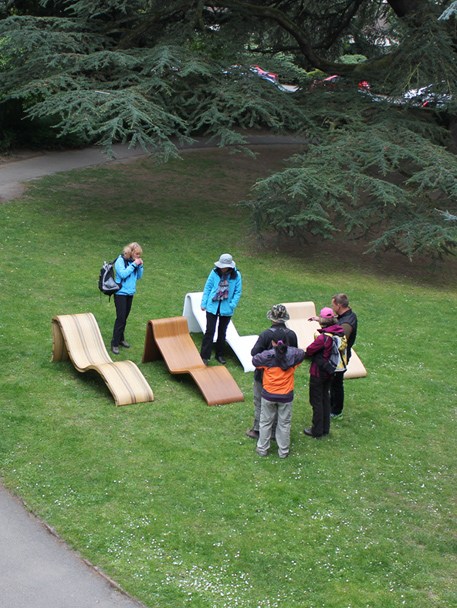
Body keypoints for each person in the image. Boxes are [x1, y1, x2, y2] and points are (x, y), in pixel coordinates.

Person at [246, 304, 298, 440]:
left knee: (261, 402)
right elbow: (296, 354)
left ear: (272, 318)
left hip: (264, 375)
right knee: (281, 407)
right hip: (285, 377)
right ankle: (276, 432)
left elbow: (254, 353)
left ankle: (258, 430)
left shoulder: (266, 334)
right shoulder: (292, 335)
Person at [252, 327, 305, 458]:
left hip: (268, 394)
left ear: (273, 342)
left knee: (265, 422)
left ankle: (262, 449)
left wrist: (271, 351)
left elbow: (255, 360)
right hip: (286, 396)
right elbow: (302, 353)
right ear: (286, 342)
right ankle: (283, 451)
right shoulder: (294, 356)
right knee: (284, 423)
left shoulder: (266, 357)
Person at [303, 307, 345, 438]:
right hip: (330, 371)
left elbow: (310, 351)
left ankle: (317, 430)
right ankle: (325, 428)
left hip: (318, 372)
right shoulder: (339, 332)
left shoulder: (322, 338)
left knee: (316, 401)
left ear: (322, 321)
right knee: (325, 398)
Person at [200, 253, 242, 365]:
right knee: (209, 331)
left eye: (225, 266)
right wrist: (204, 303)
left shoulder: (236, 275)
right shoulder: (214, 272)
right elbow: (208, 287)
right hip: (212, 306)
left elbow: (238, 292)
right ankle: (204, 356)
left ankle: (219, 354)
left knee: (222, 332)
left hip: (226, 309)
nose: (222, 268)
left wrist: (232, 305)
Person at [111, 242, 144, 355]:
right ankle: (114, 343)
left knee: (124, 317)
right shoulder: (120, 261)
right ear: (130, 253)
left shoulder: (133, 262)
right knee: (120, 318)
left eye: (139, 255)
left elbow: (139, 276)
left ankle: (121, 339)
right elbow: (123, 274)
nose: (138, 257)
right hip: (120, 293)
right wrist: (134, 264)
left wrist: (140, 266)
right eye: (137, 254)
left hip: (130, 293)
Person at [330, 293, 358, 419]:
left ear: (339, 305)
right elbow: (336, 320)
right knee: (333, 383)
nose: (332, 307)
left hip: (340, 357)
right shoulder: (347, 316)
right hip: (340, 355)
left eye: (333, 304)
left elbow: (340, 339)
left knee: (336, 383)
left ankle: (336, 411)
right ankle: (332, 406)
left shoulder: (347, 323)